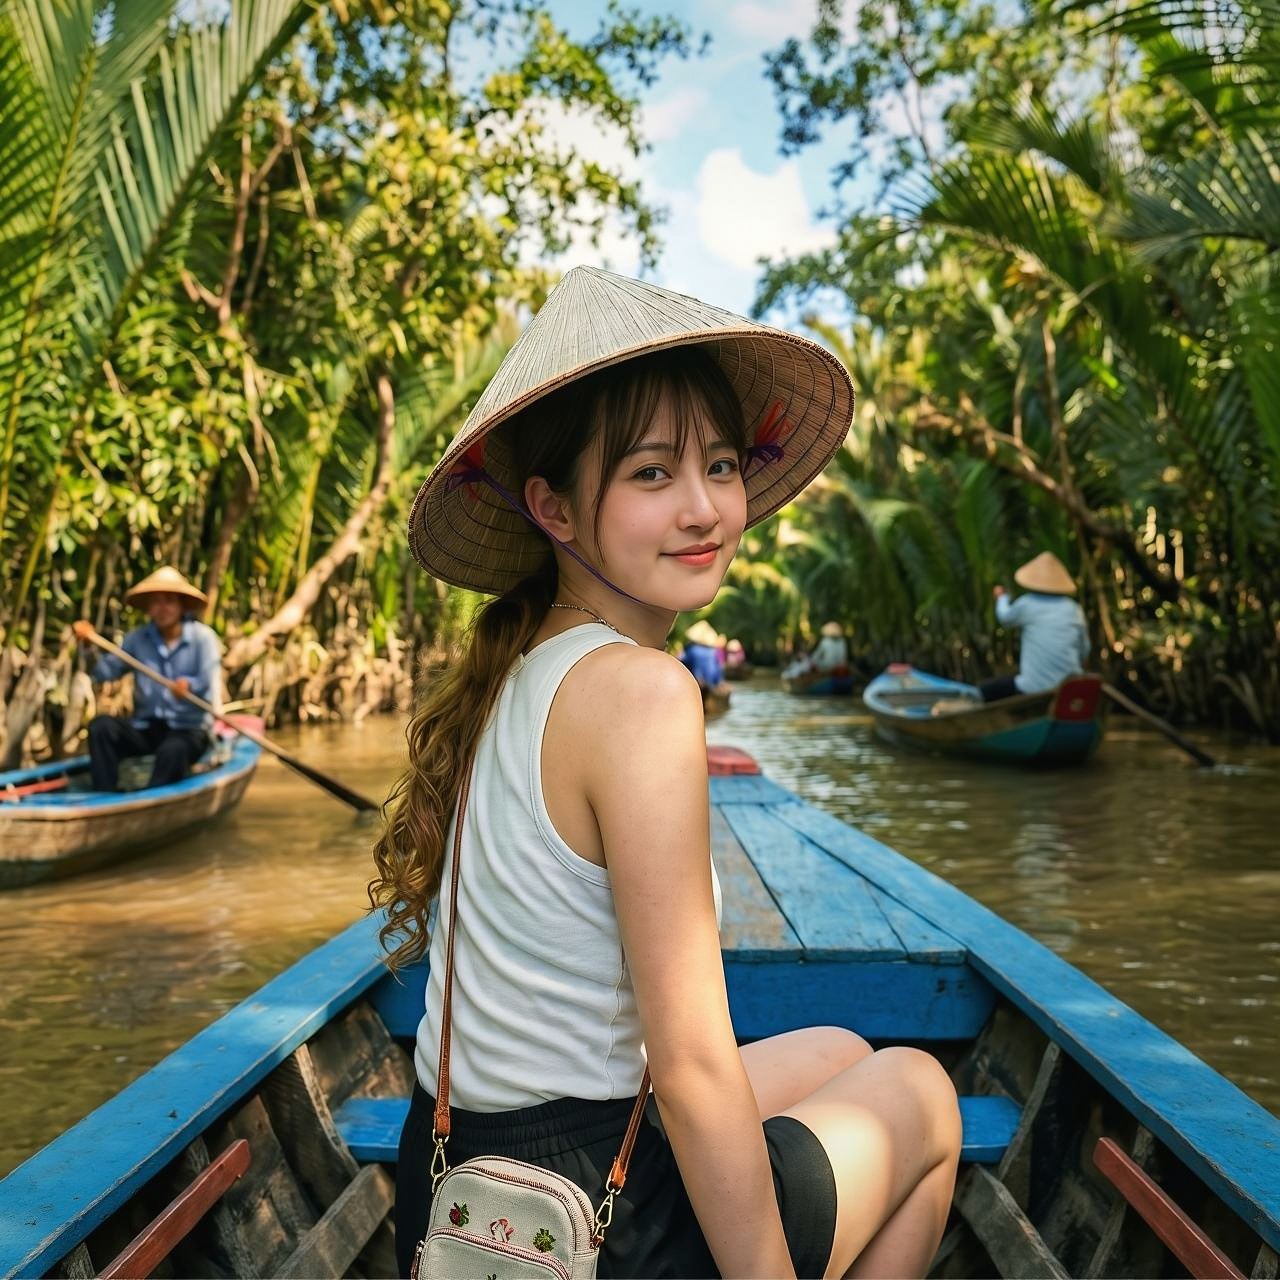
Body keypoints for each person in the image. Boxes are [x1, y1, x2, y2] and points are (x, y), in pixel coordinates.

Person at [375, 266, 961, 1279]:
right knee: (920, 1087)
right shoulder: (644, 695)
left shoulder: (512, 672)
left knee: (834, 1047)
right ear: (553, 507)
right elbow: (688, 1070)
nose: (704, 509)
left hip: (454, 1187)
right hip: (598, 1224)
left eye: (722, 466)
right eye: (651, 474)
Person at [73, 566, 222, 791]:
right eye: (156, 602)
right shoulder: (137, 639)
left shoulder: (203, 638)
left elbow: (208, 679)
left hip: (188, 729)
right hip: (147, 729)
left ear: (181, 605)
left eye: (169, 601)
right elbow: (105, 672)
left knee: (172, 750)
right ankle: (104, 793)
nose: (162, 609)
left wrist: (189, 686)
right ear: (149, 608)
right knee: (100, 727)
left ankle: (153, 801)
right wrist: (88, 646)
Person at [982, 551, 1090, 703]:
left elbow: (1004, 617)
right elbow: (1085, 650)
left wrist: (1001, 598)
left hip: (1034, 687)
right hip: (1070, 687)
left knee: (985, 691)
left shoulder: (1028, 603)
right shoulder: (1074, 609)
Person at [679, 618, 726, 691]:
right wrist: (720, 682)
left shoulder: (692, 649)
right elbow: (718, 668)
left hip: (697, 683)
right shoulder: (713, 651)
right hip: (712, 683)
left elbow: (681, 662)